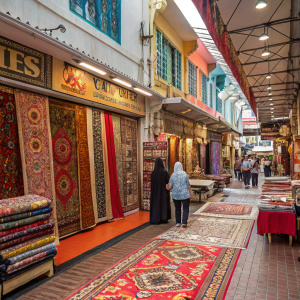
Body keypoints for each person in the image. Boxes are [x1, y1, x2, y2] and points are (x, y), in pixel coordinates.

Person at [166, 162, 193, 228]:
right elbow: (188, 185)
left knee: (177, 208)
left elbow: (170, 186)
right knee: (185, 208)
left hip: (176, 195)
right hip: (185, 194)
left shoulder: (173, 175)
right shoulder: (184, 174)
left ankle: (178, 222)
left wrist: (167, 186)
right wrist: (191, 193)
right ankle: (184, 222)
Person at [150, 158, 171, 224]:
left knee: (156, 205)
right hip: (163, 192)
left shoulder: (153, 173)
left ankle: (156, 219)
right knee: (163, 205)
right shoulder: (164, 172)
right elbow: (168, 181)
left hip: (155, 193)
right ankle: (163, 218)